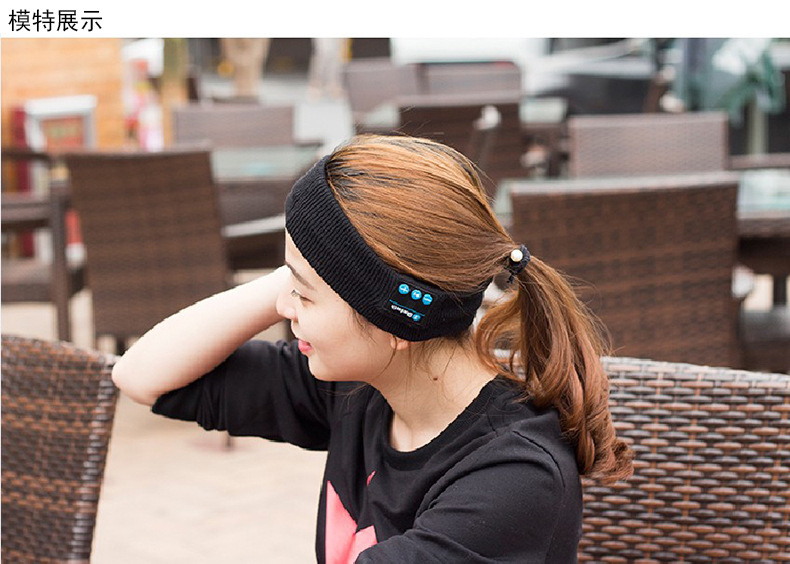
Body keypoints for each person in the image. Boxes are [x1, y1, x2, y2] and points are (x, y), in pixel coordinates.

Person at [113, 134, 633, 563]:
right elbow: (141, 376)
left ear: (394, 324)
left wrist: (331, 268)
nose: (284, 308)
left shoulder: (510, 481)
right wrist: (301, 271)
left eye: (303, 295)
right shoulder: (363, 388)